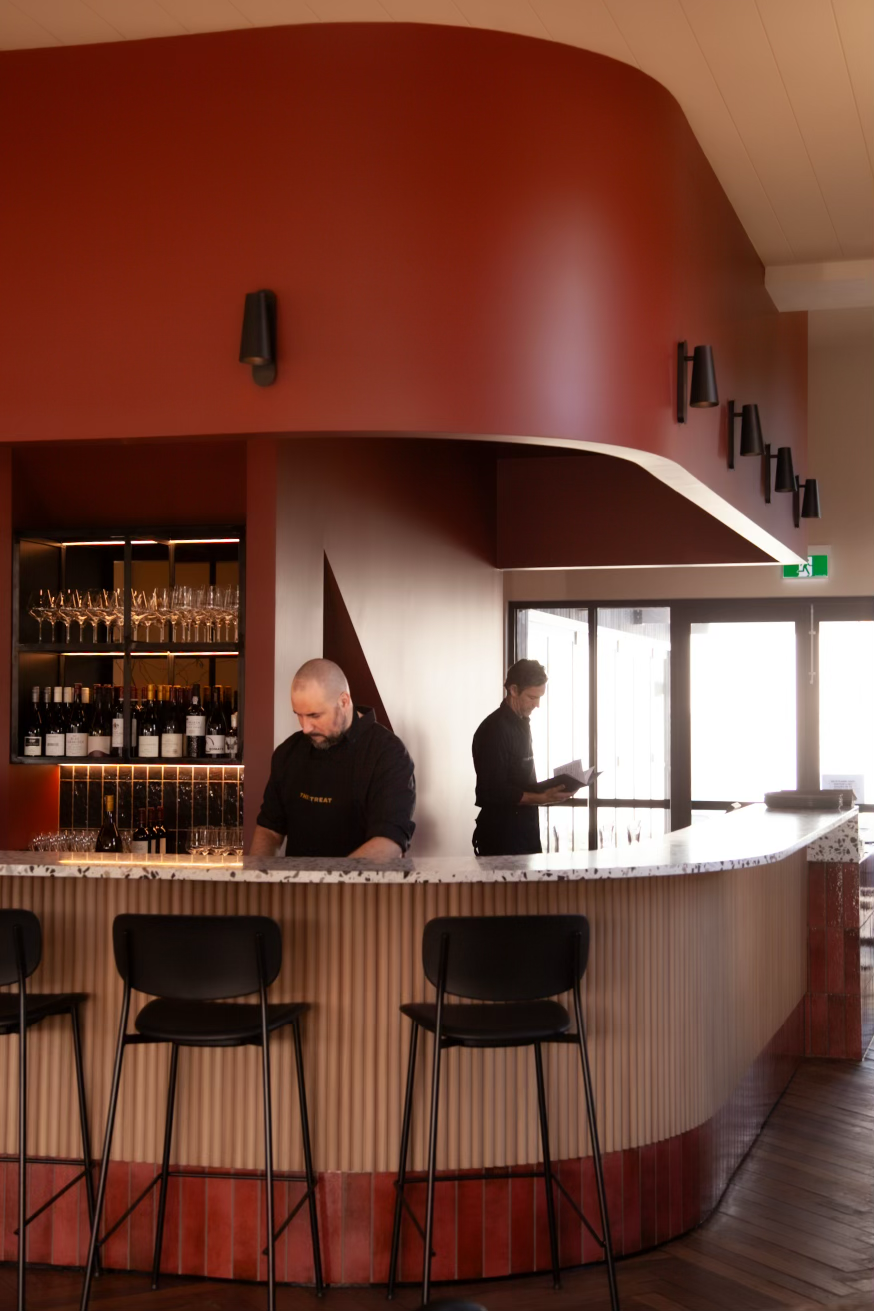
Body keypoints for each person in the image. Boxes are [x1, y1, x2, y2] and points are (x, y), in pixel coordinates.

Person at [251, 658, 416, 858]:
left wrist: (330, 879)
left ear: (344, 702)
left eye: (314, 716)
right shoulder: (288, 752)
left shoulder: (388, 754)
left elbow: (388, 844)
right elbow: (269, 830)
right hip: (296, 880)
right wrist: (258, 873)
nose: (305, 728)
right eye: (299, 715)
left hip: (361, 880)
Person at [471, 658, 572, 856]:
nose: (537, 705)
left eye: (540, 697)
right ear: (513, 690)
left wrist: (550, 791)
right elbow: (493, 790)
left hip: (525, 832)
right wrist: (542, 798)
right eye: (532, 697)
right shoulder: (494, 730)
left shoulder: (522, 723)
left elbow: (519, 780)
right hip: (502, 838)